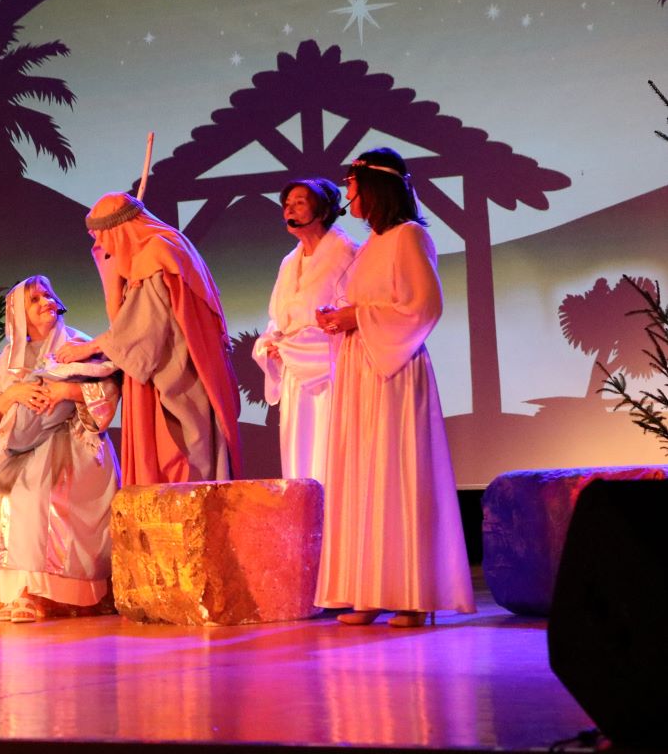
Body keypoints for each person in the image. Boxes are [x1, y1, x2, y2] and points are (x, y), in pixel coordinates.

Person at [313, 148, 476, 627]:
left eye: (352, 185)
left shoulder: (410, 236)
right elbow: (372, 301)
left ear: (374, 188)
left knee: (397, 472)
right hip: (362, 370)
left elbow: (423, 306)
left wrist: (359, 317)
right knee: (364, 475)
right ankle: (369, 590)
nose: (347, 195)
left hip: (395, 370)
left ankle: (411, 596)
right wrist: (341, 318)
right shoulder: (371, 244)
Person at [56, 192, 241, 485]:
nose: (98, 245)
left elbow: (142, 331)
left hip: (175, 378)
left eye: (100, 235)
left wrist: (92, 347)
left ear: (117, 230)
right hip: (181, 368)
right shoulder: (168, 246)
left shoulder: (154, 257)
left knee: (178, 464)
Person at [0, 276, 121, 622]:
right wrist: (15, 394)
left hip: (75, 443)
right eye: (35, 300)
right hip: (26, 449)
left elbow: (110, 391)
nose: (46, 302)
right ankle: (20, 592)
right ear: (19, 315)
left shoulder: (78, 344)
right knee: (7, 490)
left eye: (47, 295)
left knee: (39, 491)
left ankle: (43, 594)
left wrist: (64, 393)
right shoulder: (10, 358)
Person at [251, 179, 359, 483]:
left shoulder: (348, 253)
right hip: (295, 375)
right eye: (287, 204)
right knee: (299, 457)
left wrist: (296, 344)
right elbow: (279, 318)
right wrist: (270, 344)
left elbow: (352, 314)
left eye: (299, 203)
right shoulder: (289, 261)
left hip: (330, 372)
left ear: (322, 210)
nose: (290, 210)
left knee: (328, 452)